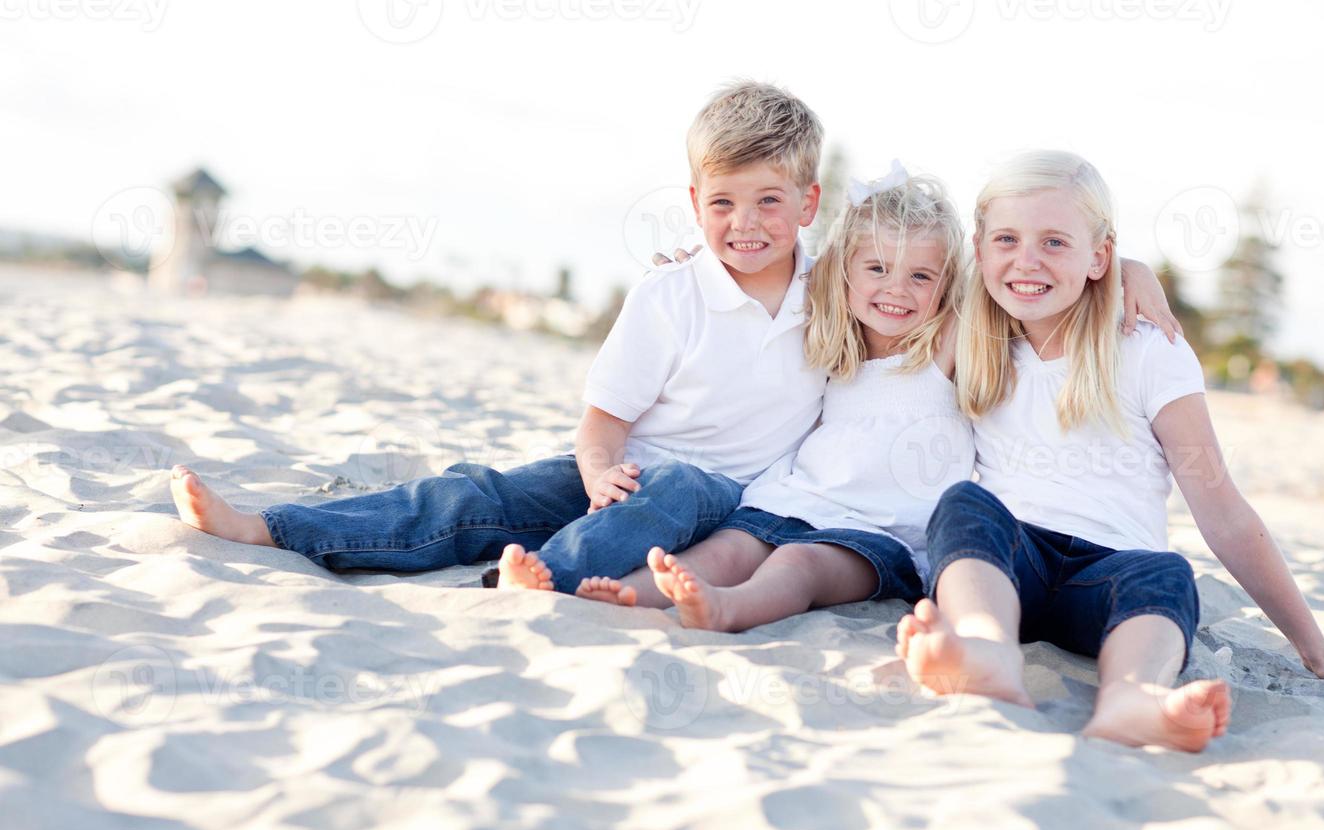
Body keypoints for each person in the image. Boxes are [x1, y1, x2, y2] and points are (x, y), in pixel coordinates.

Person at [167, 80, 828, 593]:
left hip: (729, 503)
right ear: (694, 204)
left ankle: (542, 573)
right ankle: (268, 528)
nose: (746, 222)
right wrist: (598, 478)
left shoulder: (834, 299)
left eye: (769, 200)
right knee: (478, 495)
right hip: (623, 480)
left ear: (808, 204)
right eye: (722, 203)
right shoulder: (671, 293)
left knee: (680, 484)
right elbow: (601, 426)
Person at [896, 150, 1324, 753]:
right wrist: (1124, 265)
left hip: (1112, 579)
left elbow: (1221, 509)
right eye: (1006, 239)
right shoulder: (972, 332)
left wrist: (1317, 650)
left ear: (1098, 255)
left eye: (1055, 242)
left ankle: (1130, 699)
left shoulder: (1147, 349)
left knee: (1169, 573)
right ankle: (986, 653)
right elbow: (865, 281)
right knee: (965, 506)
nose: (1026, 261)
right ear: (979, 247)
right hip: (1009, 567)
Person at [577, 166, 971, 630]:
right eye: (878, 268)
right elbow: (762, 272)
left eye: (921, 276)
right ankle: (628, 595)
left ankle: (727, 609)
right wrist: (700, 266)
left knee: (798, 566)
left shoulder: (947, 345)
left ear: (946, 285)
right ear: (845, 270)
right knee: (725, 552)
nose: (896, 290)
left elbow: (993, 280)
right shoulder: (833, 336)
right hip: (797, 497)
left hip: (881, 532)